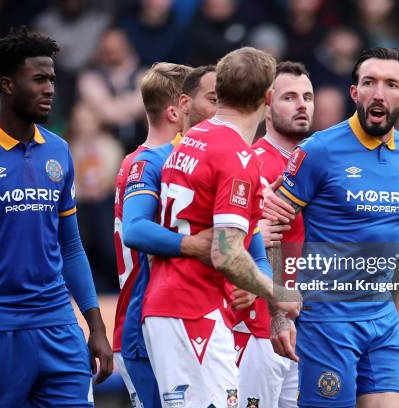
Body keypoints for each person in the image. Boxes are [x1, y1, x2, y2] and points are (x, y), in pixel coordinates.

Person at [0, 27, 113, 407]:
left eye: (52, 79)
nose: (50, 89)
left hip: (58, 327)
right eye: (39, 79)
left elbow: (71, 247)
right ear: (8, 85)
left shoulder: (60, 152)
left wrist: (95, 326)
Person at [272, 47, 399, 407]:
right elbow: (272, 229)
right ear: (354, 92)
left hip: (382, 322)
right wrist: (279, 311)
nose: (378, 93)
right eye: (369, 82)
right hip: (327, 324)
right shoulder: (319, 151)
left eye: (390, 84)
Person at [141, 47, 294, 407]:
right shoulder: (235, 156)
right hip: (192, 308)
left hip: (176, 303)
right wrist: (278, 293)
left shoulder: (193, 138)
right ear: (268, 98)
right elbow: (225, 253)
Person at [112, 61, 193, 406]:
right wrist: (197, 245)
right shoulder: (145, 164)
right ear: (176, 111)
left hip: (167, 319)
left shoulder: (173, 159)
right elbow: (136, 231)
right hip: (140, 324)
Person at [235, 61, 314, 408]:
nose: (302, 105)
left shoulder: (316, 162)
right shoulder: (252, 162)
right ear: (266, 104)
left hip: (306, 323)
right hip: (259, 326)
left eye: (308, 97)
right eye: (290, 97)